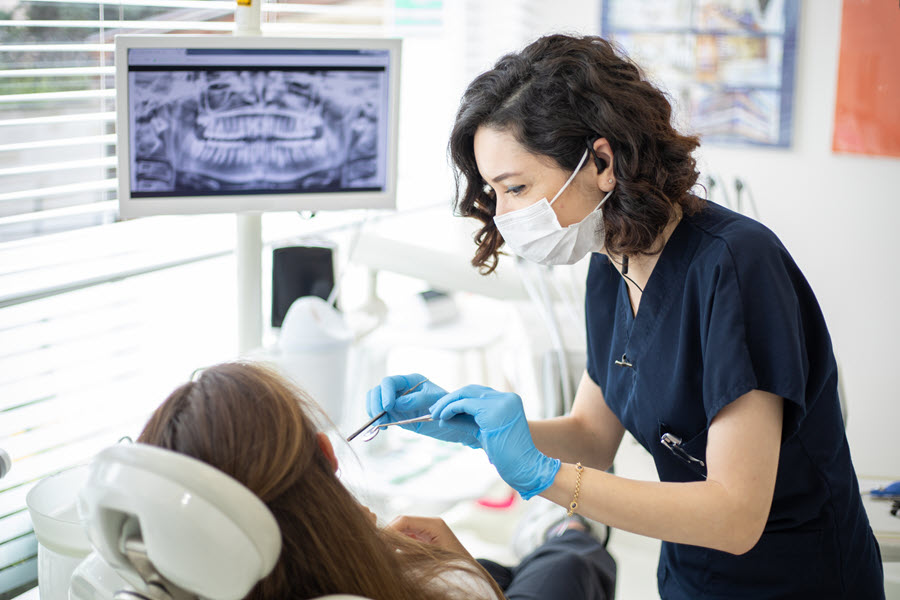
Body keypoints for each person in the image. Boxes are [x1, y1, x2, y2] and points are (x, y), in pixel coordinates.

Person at [366, 34, 885, 599]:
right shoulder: (612, 264)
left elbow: (736, 515)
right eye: (494, 192)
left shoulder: (735, 266)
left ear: (602, 161)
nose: (503, 214)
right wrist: (475, 431)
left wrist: (544, 478)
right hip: (690, 574)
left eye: (515, 188)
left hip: (797, 580)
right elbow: (592, 436)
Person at [138, 361, 615, 600]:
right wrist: (466, 576)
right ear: (329, 455)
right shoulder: (452, 585)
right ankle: (567, 533)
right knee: (566, 566)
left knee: (504, 567)